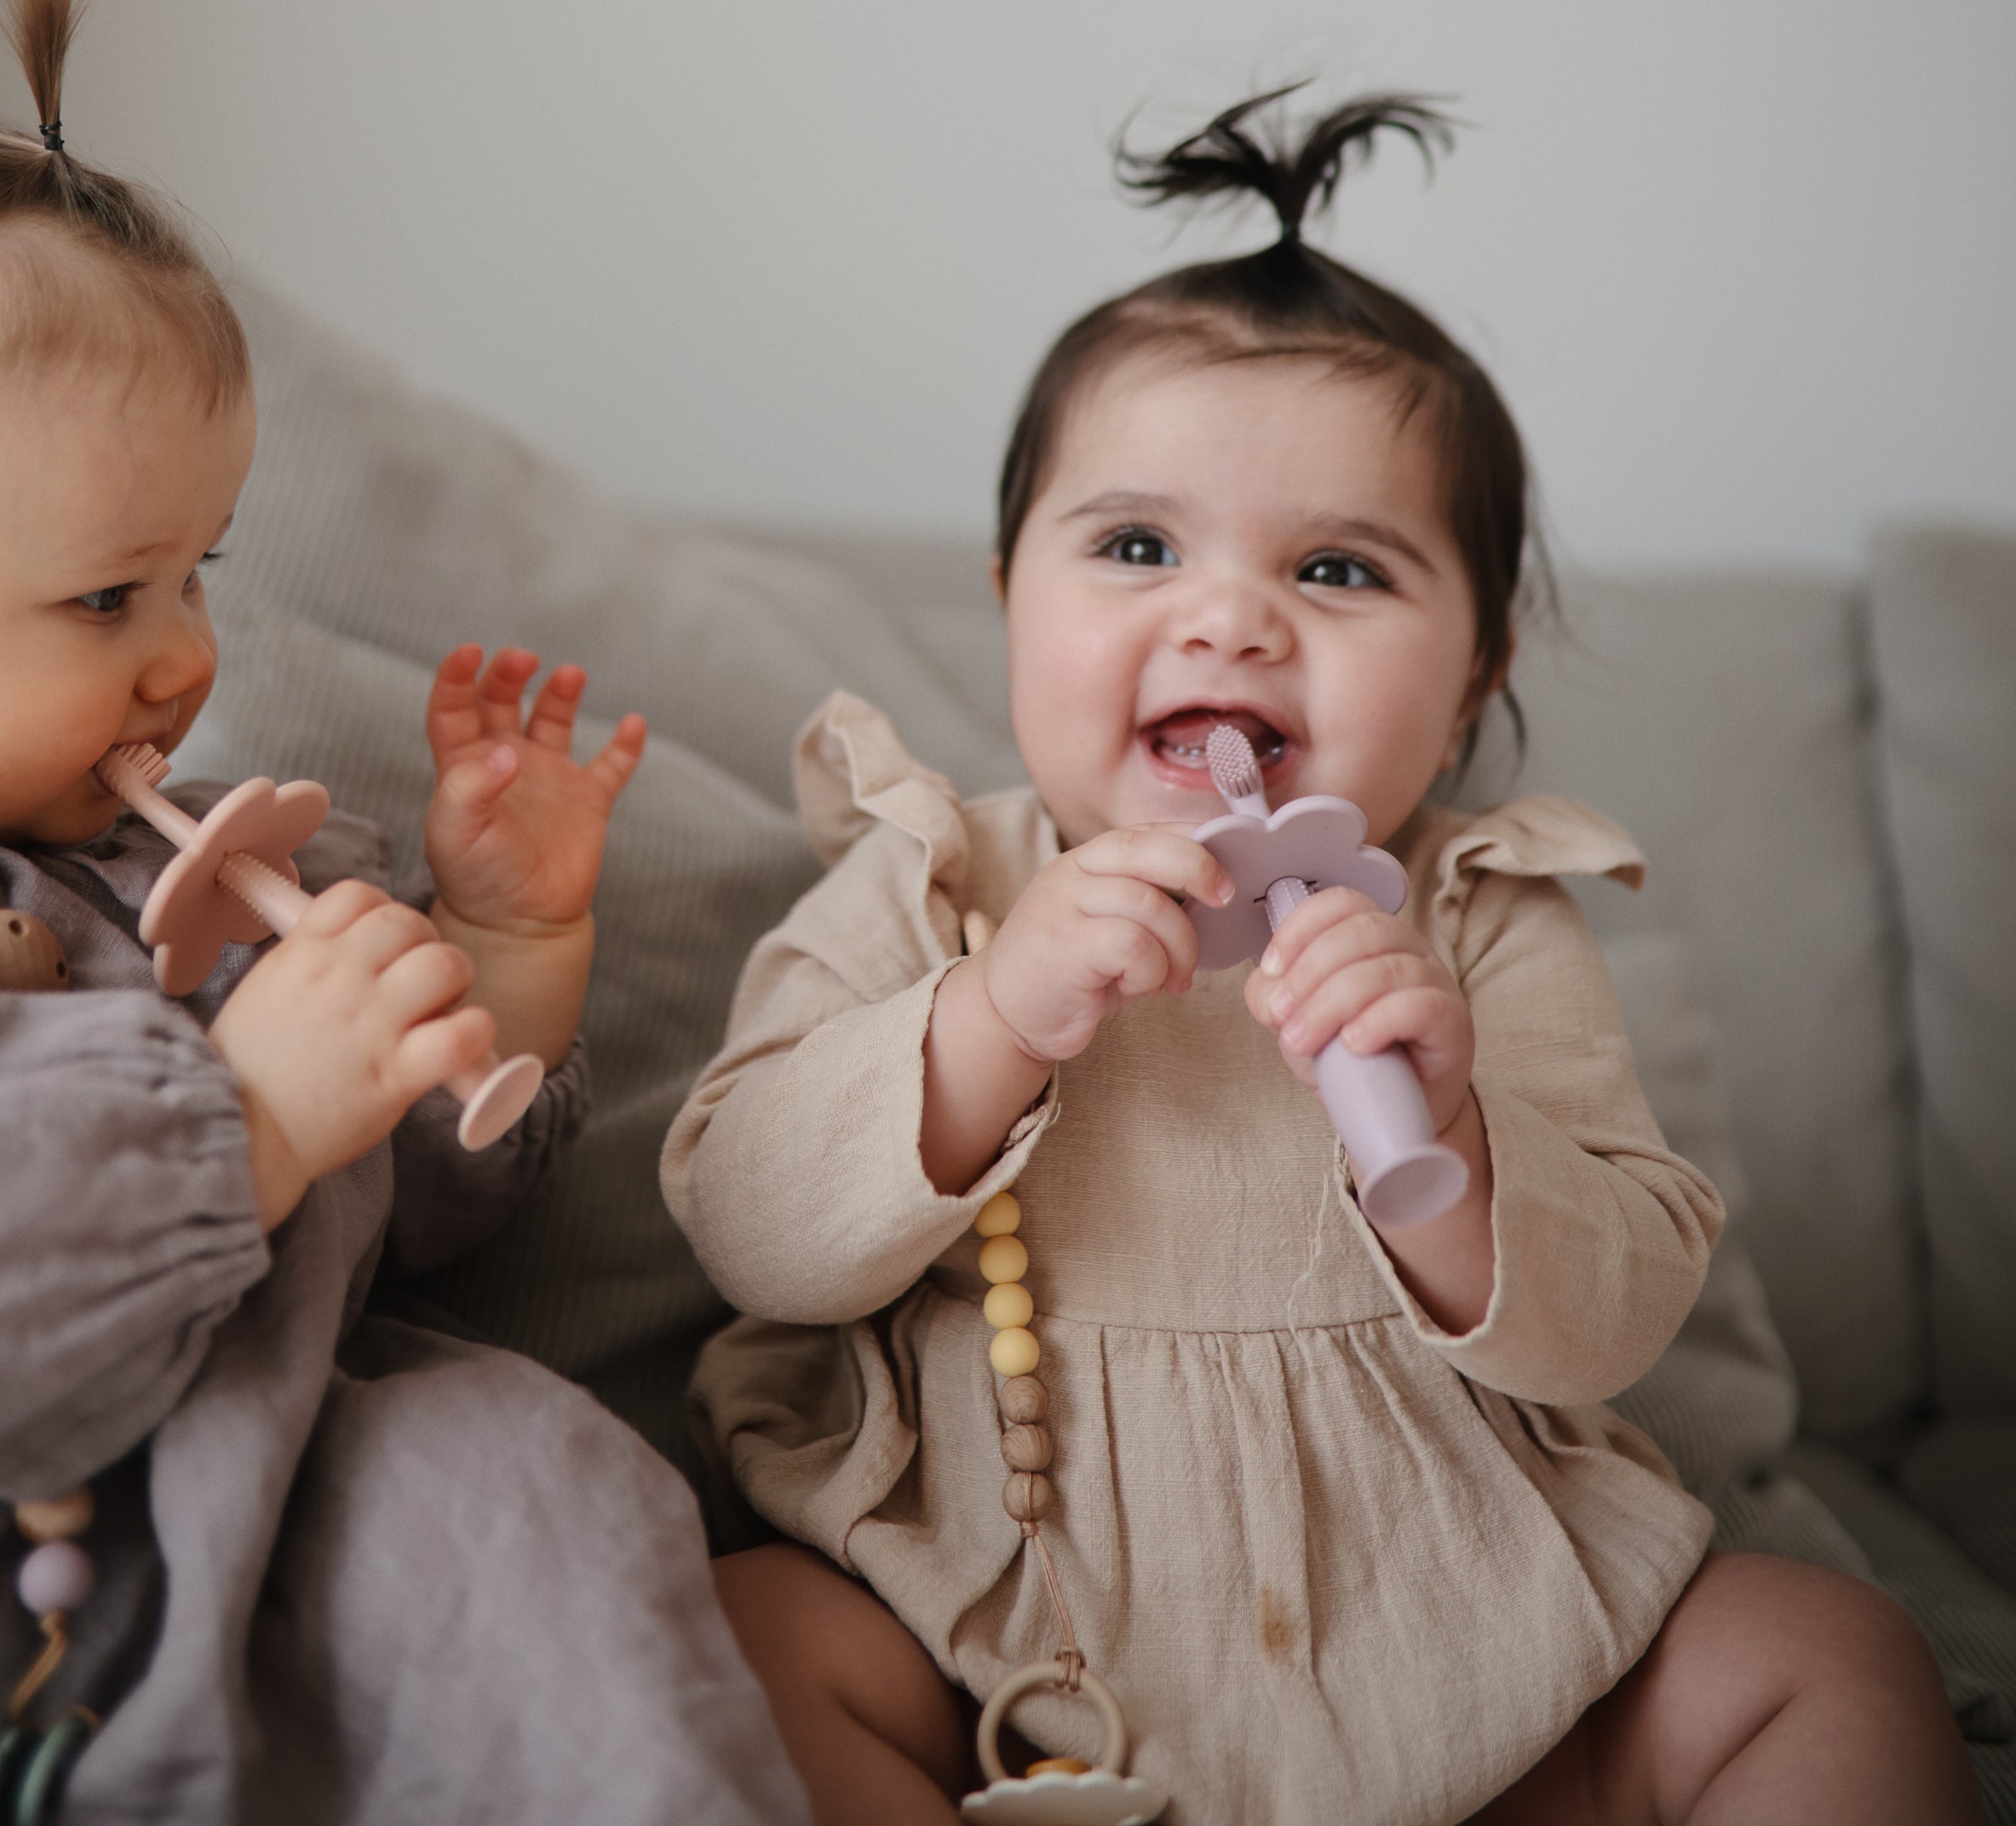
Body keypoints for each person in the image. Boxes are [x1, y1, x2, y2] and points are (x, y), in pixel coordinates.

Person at [663, 89, 1981, 1823]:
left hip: (1475, 1660)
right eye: (1137, 547)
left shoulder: (1479, 918)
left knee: (1833, 1655)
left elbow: (1610, 1320)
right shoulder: (932, 883)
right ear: (1007, 600)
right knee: (740, 1641)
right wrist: (989, 1018)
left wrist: (1457, 1139)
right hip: (1017, 1667)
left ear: (1476, 675)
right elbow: (748, 1224)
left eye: (1340, 569)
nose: (1228, 617)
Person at [0, 0, 805, 1824]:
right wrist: (252, 1118)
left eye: (201, 571)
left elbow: (428, 1197)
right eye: (107, 597)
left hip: (296, 1504)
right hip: (37, 1607)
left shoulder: (213, 869)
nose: (187, 655)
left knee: (529, 1477)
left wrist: (500, 941)